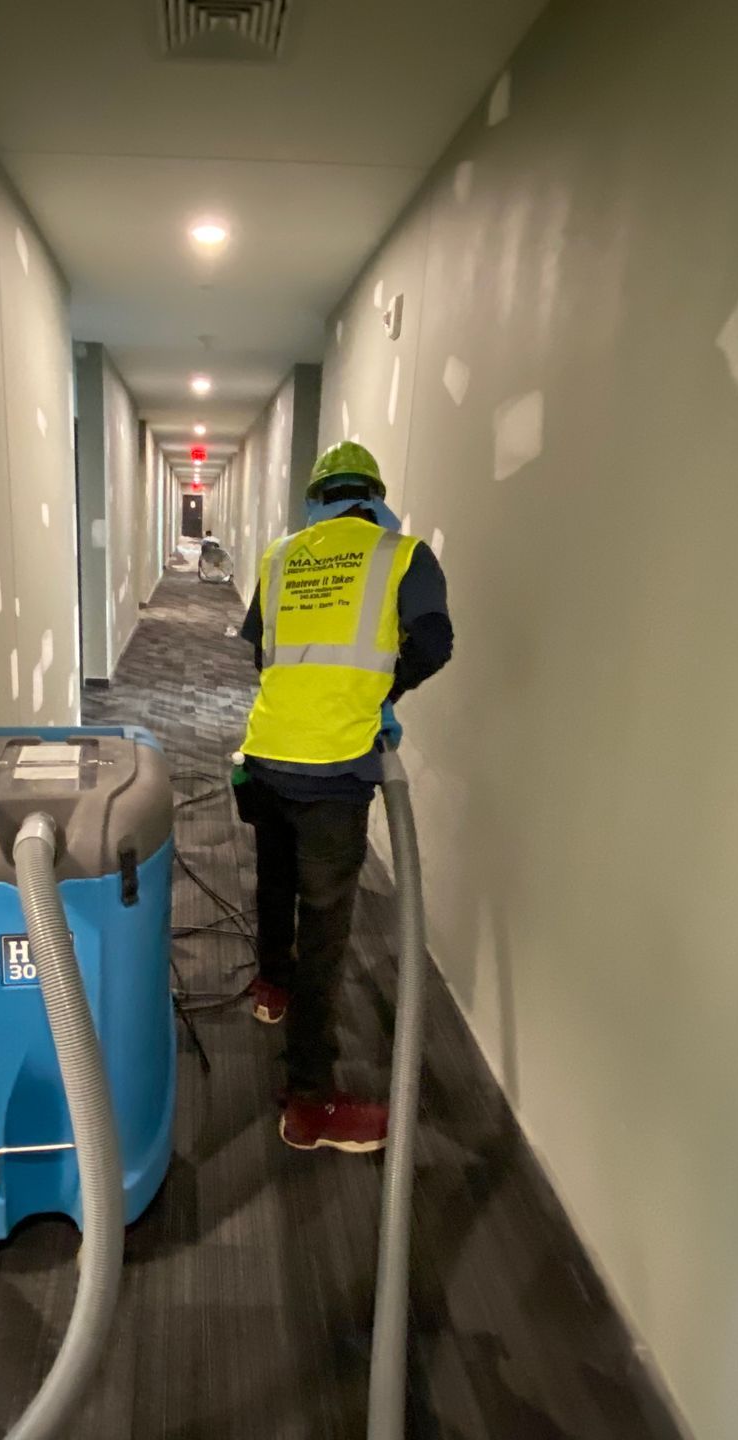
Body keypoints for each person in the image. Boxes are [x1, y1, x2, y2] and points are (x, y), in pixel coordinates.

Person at [233, 441, 454, 1153]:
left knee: (273, 877)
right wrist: (379, 690)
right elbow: (434, 641)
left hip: (267, 748)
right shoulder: (403, 554)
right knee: (324, 933)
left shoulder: (279, 556)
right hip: (335, 765)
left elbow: (256, 644)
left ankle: (270, 987)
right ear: (374, 495)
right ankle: (309, 1106)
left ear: (317, 498)